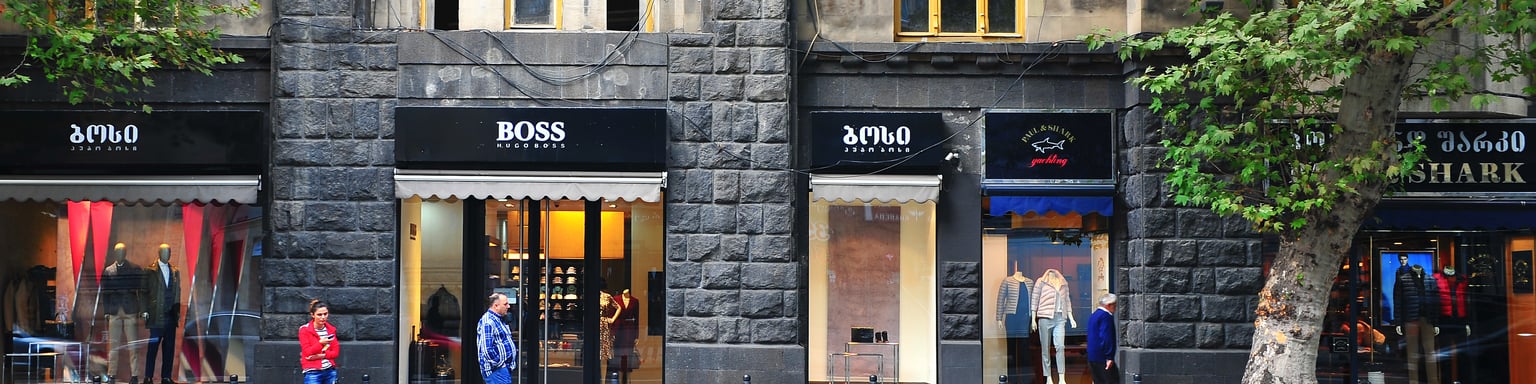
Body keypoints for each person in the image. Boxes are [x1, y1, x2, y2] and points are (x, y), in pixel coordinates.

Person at [102, 243, 144, 383]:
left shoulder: (134, 269)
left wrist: (141, 309)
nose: (119, 254)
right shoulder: (108, 270)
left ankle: (134, 375)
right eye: (117, 252)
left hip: (130, 309)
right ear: (114, 253)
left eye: (122, 252)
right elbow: (105, 293)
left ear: (125, 253)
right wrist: (107, 311)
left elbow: (140, 291)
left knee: (133, 345)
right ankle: (111, 374)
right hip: (114, 311)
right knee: (113, 344)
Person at [143, 243, 181, 384]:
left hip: (170, 314)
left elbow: (178, 292)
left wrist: (177, 312)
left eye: (169, 252)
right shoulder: (149, 270)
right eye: (165, 252)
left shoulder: (175, 271)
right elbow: (143, 292)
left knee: (169, 347)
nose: (168, 254)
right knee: (153, 346)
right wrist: (144, 310)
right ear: (159, 253)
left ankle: (166, 377)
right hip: (156, 313)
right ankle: (148, 376)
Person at [478, 293, 518, 384]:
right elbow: (487, 350)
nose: (508, 306)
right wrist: (500, 364)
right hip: (497, 370)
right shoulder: (488, 321)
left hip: (502, 370)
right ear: (496, 306)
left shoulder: (499, 319)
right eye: (505, 304)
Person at [299, 299, 340, 384]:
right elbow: (307, 352)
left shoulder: (330, 330)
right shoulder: (305, 330)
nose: (323, 317)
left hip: (329, 370)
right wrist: (321, 343)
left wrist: (320, 356)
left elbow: (335, 353)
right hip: (313, 372)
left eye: (325, 314)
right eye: (319, 315)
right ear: (312, 315)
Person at [1087, 293, 1119, 384]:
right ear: (1109, 305)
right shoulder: (1106, 316)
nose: (1115, 309)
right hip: (1102, 357)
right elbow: (1106, 337)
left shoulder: (1094, 315)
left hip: (1093, 356)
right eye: (1114, 306)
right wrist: (1109, 357)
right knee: (1111, 380)